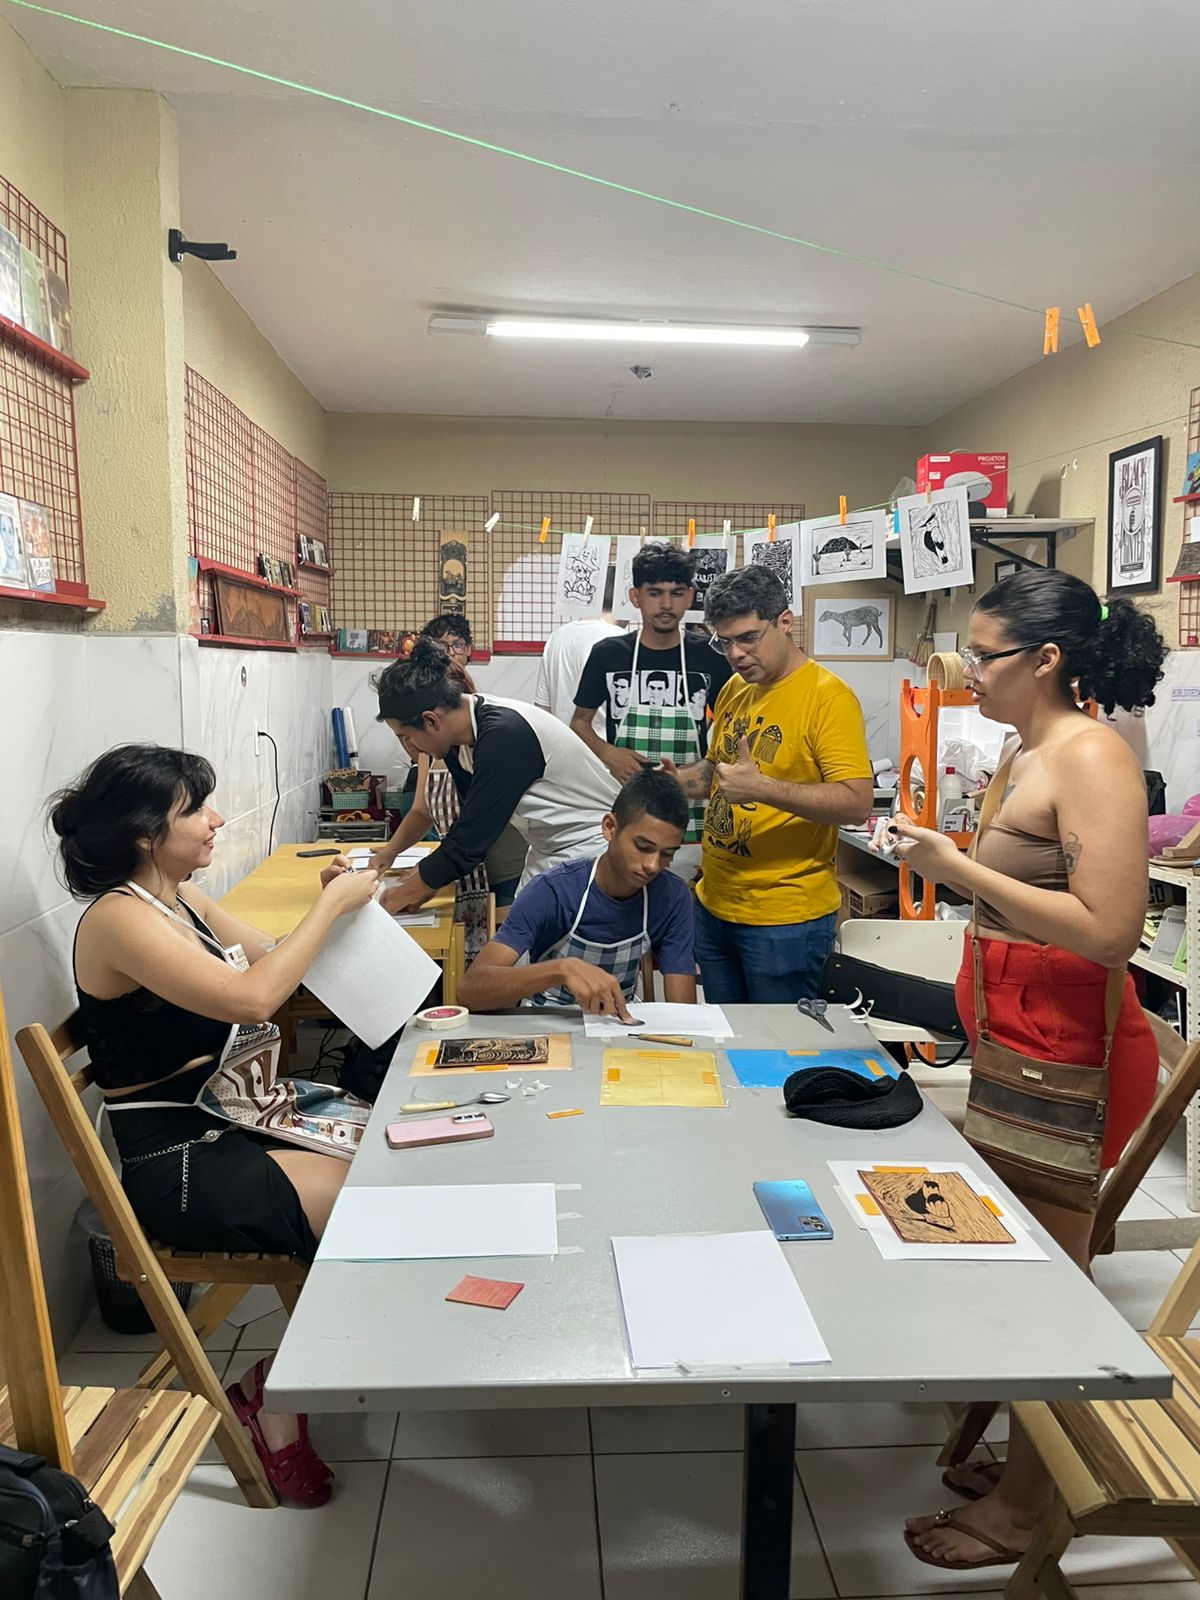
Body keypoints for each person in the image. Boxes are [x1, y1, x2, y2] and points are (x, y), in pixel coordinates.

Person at [887, 570, 1166, 1574]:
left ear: (1045, 660)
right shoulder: (1024, 747)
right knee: (1016, 1264)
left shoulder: (1090, 753)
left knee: (1050, 1283)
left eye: (984, 654)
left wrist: (953, 866)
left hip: (1072, 1060)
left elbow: (1109, 931)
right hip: (1019, 1050)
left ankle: (1022, 1509)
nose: (967, 671)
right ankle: (1023, 1463)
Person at [53, 744, 380, 1507]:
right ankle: (276, 1396)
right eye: (195, 809)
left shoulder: (179, 901)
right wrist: (330, 908)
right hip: (178, 1155)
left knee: (397, 1156)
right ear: (144, 833)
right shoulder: (116, 919)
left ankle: (310, 1364)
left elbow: (271, 961)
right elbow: (253, 999)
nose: (216, 820)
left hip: (230, 1114)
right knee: (368, 1208)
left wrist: (325, 904)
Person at [665, 564, 873, 1002]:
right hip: (714, 904)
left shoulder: (827, 697)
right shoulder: (735, 689)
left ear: (784, 621)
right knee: (729, 1035)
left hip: (785, 919)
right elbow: (720, 772)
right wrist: (676, 782)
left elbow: (857, 803)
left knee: (782, 1041)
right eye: (724, 642)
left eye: (747, 637)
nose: (735, 654)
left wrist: (763, 789)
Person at [374, 638, 620, 914]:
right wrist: (423, 885)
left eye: (406, 736)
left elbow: (470, 841)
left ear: (431, 720)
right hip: (548, 849)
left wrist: (398, 898)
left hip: (591, 847)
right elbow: (466, 824)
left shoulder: (504, 735)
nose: (411, 748)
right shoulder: (459, 740)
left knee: (549, 938)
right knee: (525, 936)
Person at [458, 769, 697, 1018]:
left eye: (667, 854)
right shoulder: (553, 891)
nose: (653, 865)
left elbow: (684, 1015)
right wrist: (561, 970)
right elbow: (469, 992)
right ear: (609, 827)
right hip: (546, 1023)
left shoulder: (672, 896)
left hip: (616, 1024)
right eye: (643, 847)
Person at [572, 542, 731, 876]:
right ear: (635, 597)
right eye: (655, 593)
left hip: (691, 810)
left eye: (676, 593)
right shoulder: (608, 654)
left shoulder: (711, 657)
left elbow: (731, 729)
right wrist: (609, 753)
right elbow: (580, 722)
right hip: (628, 802)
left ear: (690, 597)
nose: (666, 604)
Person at [370, 654, 527, 950]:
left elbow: (472, 835)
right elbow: (423, 811)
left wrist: (415, 887)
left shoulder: (493, 742)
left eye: (406, 736)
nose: (408, 746)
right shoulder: (438, 747)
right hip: (461, 868)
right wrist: (389, 854)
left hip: (506, 871)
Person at [535, 566, 624, 734]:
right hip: (607, 747)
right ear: (624, 600)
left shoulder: (557, 637)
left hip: (562, 744)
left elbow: (542, 709)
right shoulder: (621, 641)